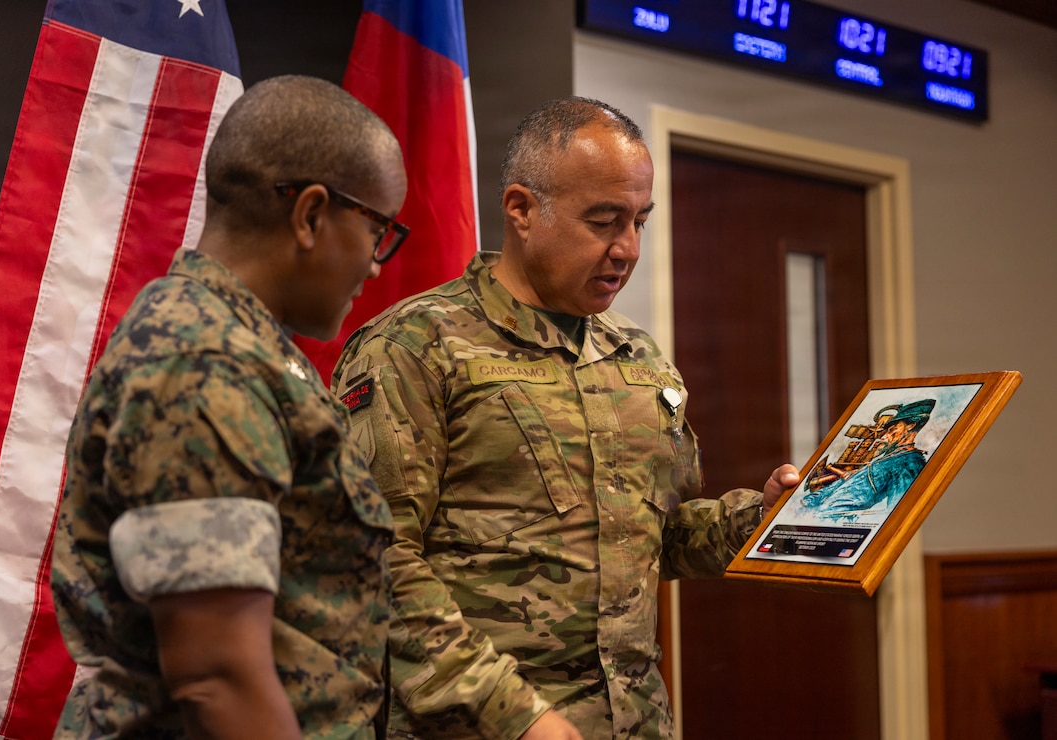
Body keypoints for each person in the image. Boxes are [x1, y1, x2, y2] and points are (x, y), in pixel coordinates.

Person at [331, 96, 800, 739]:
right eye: (604, 221)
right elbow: (375, 559)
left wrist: (758, 519)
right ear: (522, 210)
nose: (627, 249)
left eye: (640, 220)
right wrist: (518, 719)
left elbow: (650, 539)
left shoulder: (637, 355)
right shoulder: (414, 346)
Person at [50, 75, 408, 738]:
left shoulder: (244, 347)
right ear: (310, 215)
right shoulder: (202, 361)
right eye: (378, 229)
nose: (378, 264)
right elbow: (216, 678)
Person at [800, 399, 934, 520]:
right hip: (816, 516)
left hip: (838, 523)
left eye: (892, 429)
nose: (883, 437)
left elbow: (897, 513)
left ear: (911, 425)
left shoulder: (910, 462)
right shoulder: (886, 457)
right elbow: (848, 484)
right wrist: (811, 500)